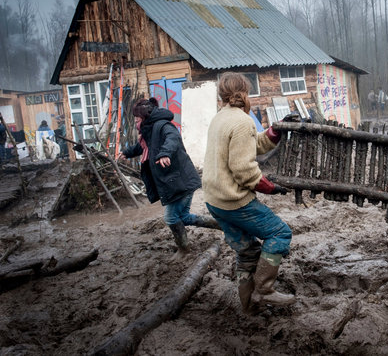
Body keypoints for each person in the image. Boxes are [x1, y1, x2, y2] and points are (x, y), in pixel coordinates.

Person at [203, 72, 295, 314]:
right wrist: (269, 187)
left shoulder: (220, 118)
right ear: (245, 90)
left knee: (247, 251)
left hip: (214, 199)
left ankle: (248, 307)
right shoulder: (242, 121)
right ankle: (264, 290)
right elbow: (244, 170)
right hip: (234, 200)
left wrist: (275, 131)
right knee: (280, 233)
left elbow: (250, 145)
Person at [118, 97, 220, 259]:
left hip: (180, 180)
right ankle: (223, 225)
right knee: (184, 217)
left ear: (144, 116)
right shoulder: (148, 130)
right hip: (174, 180)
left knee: (171, 217)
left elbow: (173, 139)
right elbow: (143, 147)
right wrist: (128, 152)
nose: (136, 121)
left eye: (137, 118)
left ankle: (184, 249)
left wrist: (165, 153)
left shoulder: (163, 126)